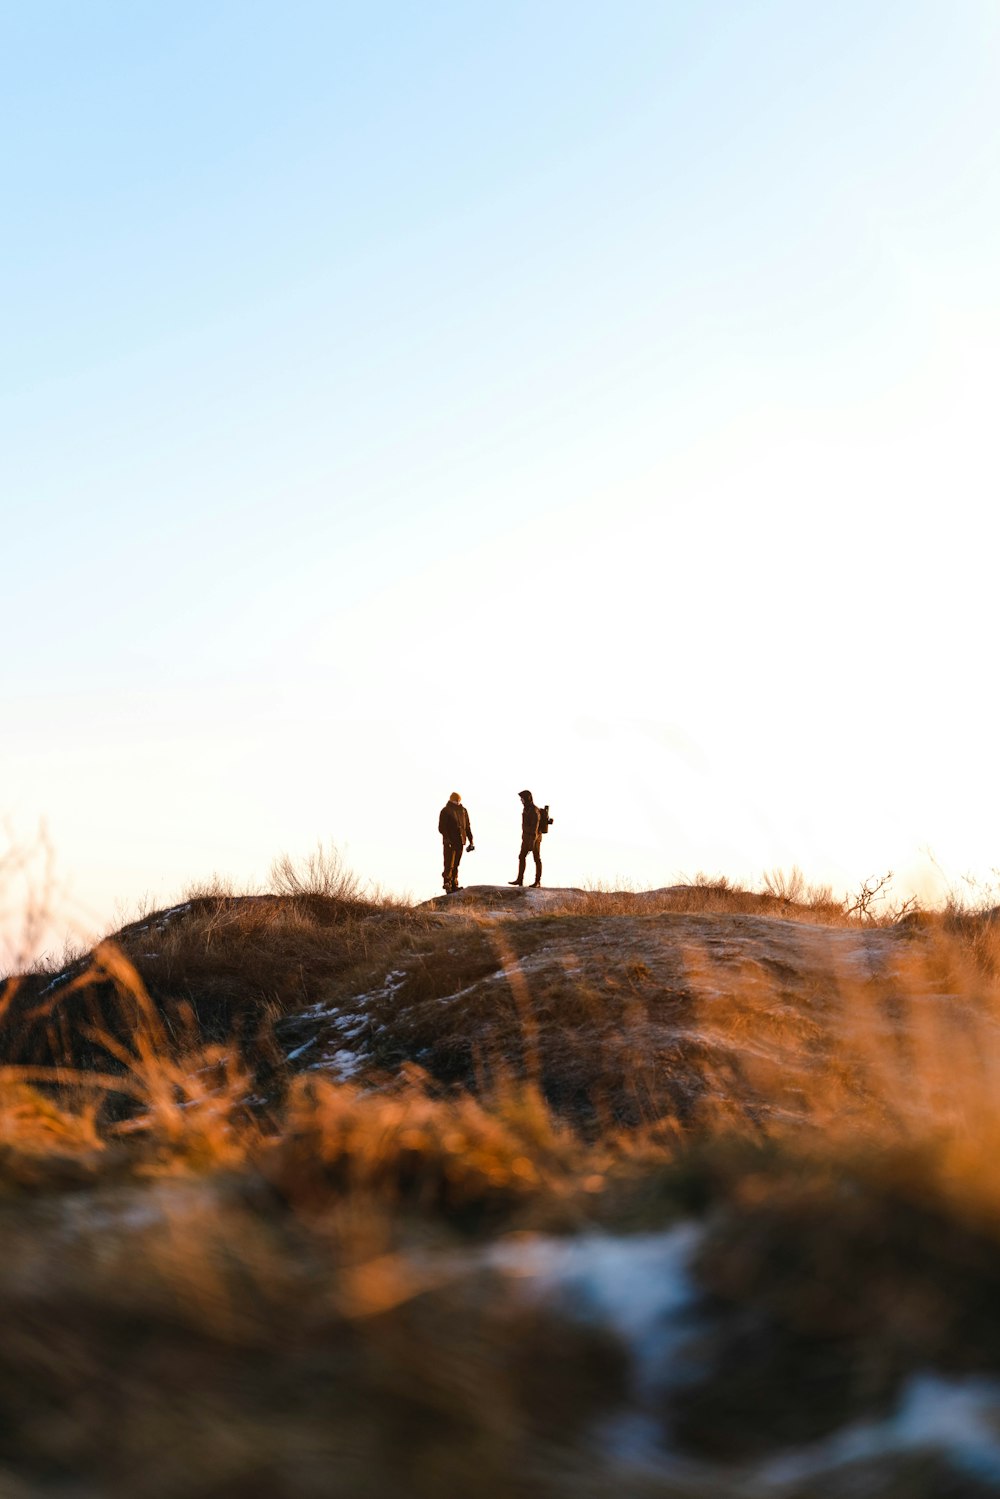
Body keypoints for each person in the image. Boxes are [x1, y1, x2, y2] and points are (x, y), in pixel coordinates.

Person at [508, 788, 550, 888]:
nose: (521, 800)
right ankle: (519, 880)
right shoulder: (526, 809)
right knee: (521, 856)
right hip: (526, 838)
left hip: (534, 838)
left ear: (527, 798)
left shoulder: (534, 811)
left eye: (522, 798)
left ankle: (537, 881)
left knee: (536, 858)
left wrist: (532, 842)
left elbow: (534, 829)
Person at [438, 792, 474, 893]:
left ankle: (454, 885)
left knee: (456, 864)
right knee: (449, 864)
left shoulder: (463, 811)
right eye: (455, 801)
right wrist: (447, 839)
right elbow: (441, 827)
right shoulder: (445, 811)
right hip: (449, 842)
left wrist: (471, 840)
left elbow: (467, 826)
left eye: (458, 801)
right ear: (451, 800)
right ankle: (447, 884)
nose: (457, 802)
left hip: (460, 841)